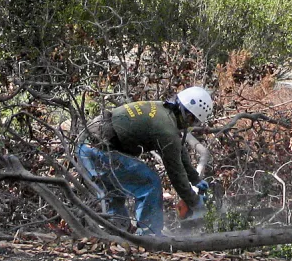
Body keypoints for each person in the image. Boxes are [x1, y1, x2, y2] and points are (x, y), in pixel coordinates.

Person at [77, 86, 214, 235]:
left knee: (115, 191)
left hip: (88, 147)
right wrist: (195, 203)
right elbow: (175, 173)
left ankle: (120, 234)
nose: (190, 125)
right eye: (193, 121)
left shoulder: (163, 110)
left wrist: (194, 178)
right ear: (188, 115)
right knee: (150, 183)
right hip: (99, 151)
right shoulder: (166, 130)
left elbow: (179, 151)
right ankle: (150, 236)